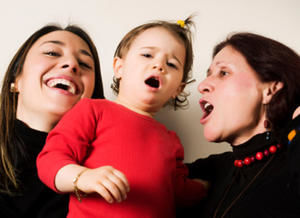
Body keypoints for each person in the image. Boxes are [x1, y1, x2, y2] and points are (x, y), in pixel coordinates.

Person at [37, 17, 207, 218]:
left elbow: (178, 191)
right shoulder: (92, 110)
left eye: (171, 64)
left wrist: (207, 186)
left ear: (178, 89)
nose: (159, 66)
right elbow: (50, 160)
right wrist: (82, 177)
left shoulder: (171, 140)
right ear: (119, 67)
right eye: (147, 55)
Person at [179, 32, 300, 218]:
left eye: (224, 73)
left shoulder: (291, 162)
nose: (202, 86)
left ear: (270, 90)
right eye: (208, 75)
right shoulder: (215, 169)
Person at [0, 24, 105, 218]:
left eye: (84, 64)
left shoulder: (105, 168)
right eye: (51, 52)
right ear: (16, 79)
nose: (72, 64)